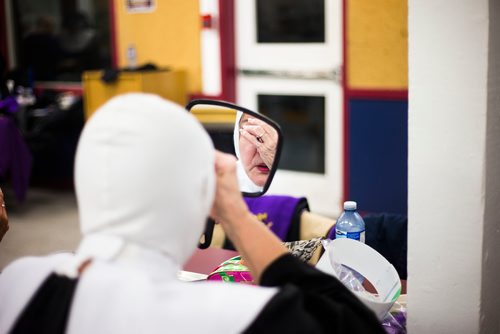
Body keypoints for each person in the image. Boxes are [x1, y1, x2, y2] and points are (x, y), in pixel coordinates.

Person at [0, 94, 384, 333]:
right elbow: (354, 324)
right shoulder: (237, 315)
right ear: (200, 197)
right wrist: (235, 214)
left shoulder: (19, 282)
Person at [233, 111, 278, 192]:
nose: (264, 150)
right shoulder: (222, 183)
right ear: (237, 138)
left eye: (272, 135)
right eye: (252, 133)